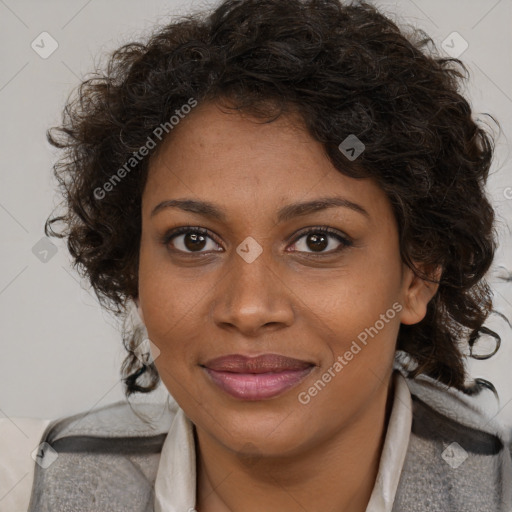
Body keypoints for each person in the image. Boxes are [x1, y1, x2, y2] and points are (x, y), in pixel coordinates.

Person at [1, 0, 511, 511]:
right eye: (194, 240)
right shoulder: (22, 485)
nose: (247, 309)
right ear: (132, 268)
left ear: (418, 274)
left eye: (318, 241)